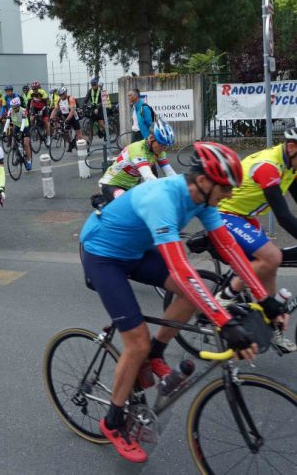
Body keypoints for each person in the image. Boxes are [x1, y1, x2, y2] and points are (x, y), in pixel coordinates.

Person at [79, 141, 287, 463]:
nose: (230, 194)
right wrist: (224, 322)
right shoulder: (162, 199)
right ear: (203, 180)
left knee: (192, 293)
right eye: (226, 188)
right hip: (103, 254)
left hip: (134, 251)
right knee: (136, 341)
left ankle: (155, 353)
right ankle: (114, 421)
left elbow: (228, 246)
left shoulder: (202, 198)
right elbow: (180, 268)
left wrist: (265, 299)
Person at [215, 128, 297, 352]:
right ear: (292, 147)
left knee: (270, 268)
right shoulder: (268, 166)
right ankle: (223, 298)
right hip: (224, 213)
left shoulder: (291, 165)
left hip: (245, 217)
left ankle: (271, 327)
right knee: (272, 257)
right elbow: (283, 217)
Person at [99, 119, 176, 202]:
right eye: (161, 145)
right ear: (151, 138)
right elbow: (148, 176)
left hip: (130, 187)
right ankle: (100, 201)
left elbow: (170, 172)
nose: (164, 149)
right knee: (127, 202)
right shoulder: (137, 149)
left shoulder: (159, 151)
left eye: (166, 146)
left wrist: (181, 186)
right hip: (112, 184)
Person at [50, 87, 83, 152]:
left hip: (73, 116)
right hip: (65, 116)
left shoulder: (70, 99)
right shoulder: (59, 100)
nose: (61, 96)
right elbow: (55, 110)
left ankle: (85, 147)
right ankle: (71, 143)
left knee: (79, 134)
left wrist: (67, 120)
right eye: (60, 95)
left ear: (65, 93)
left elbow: (72, 111)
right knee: (63, 132)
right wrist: (51, 118)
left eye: (62, 94)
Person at [4, 97, 32, 170]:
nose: (14, 108)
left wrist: (21, 132)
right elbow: (7, 121)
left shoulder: (23, 110)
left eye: (16, 107)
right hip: (16, 125)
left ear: (19, 106)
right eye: (13, 107)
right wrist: (4, 131)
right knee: (13, 143)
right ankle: (18, 155)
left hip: (24, 126)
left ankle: (29, 161)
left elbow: (23, 122)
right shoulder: (10, 110)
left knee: (26, 143)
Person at [27, 81, 51, 146]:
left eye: (36, 88)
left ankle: (48, 138)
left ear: (38, 88)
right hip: (35, 108)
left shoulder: (42, 92)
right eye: (33, 89)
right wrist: (27, 111)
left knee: (46, 122)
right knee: (31, 119)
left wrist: (42, 110)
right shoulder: (30, 93)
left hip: (43, 108)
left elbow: (46, 104)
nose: (34, 90)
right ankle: (35, 130)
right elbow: (28, 104)